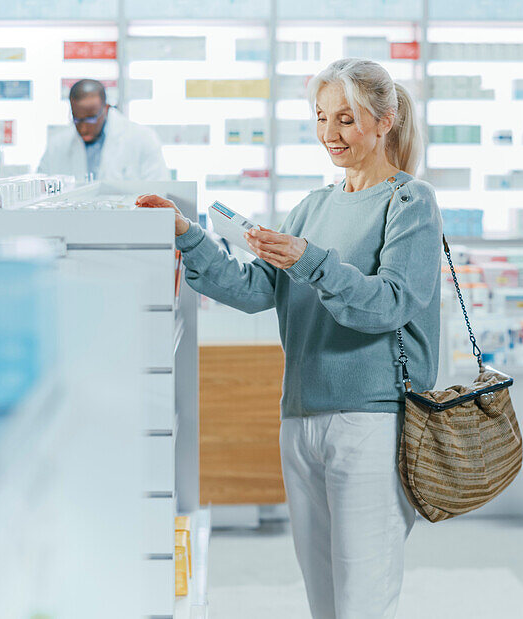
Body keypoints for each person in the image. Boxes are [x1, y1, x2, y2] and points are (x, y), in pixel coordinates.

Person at [138, 58, 441, 618]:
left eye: (346, 119)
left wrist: (312, 262)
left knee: (364, 601)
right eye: (322, 117)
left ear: (385, 120)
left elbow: (392, 303)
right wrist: (190, 236)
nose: (331, 134)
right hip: (300, 417)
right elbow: (257, 290)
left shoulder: (410, 203)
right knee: (324, 600)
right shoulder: (313, 207)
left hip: (371, 421)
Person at [37, 79, 169, 182]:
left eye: (90, 119)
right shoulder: (57, 145)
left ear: (105, 109)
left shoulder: (142, 138)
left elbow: (159, 193)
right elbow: (39, 192)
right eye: (78, 119)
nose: (83, 128)